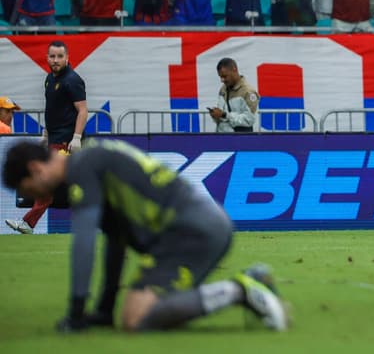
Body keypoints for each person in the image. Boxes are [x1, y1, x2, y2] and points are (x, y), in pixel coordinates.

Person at [2, 139, 288, 331]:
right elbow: (116, 238)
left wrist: (76, 311)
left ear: (36, 169)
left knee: (136, 317)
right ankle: (256, 279)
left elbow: (84, 240)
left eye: (28, 190)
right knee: (140, 310)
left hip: (189, 232)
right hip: (196, 226)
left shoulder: (80, 168)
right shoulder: (93, 159)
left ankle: (242, 290)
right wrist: (103, 309)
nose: (34, 197)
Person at [5, 40, 87, 235]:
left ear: (67, 58)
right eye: (52, 56)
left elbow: (82, 111)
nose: (56, 60)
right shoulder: (49, 79)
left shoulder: (73, 80)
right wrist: (46, 132)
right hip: (54, 138)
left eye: (60, 56)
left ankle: (28, 223)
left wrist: (76, 137)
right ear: (47, 58)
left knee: (48, 182)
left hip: (65, 141)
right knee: (69, 184)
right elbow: (53, 110)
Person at [209, 57, 260, 132]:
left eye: (225, 76)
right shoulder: (223, 89)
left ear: (234, 69)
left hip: (240, 140)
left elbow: (249, 120)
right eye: (220, 77)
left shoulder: (248, 92)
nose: (222, 80)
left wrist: (224, 115)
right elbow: (222, 118)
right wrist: (216, 115)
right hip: (221, 138)